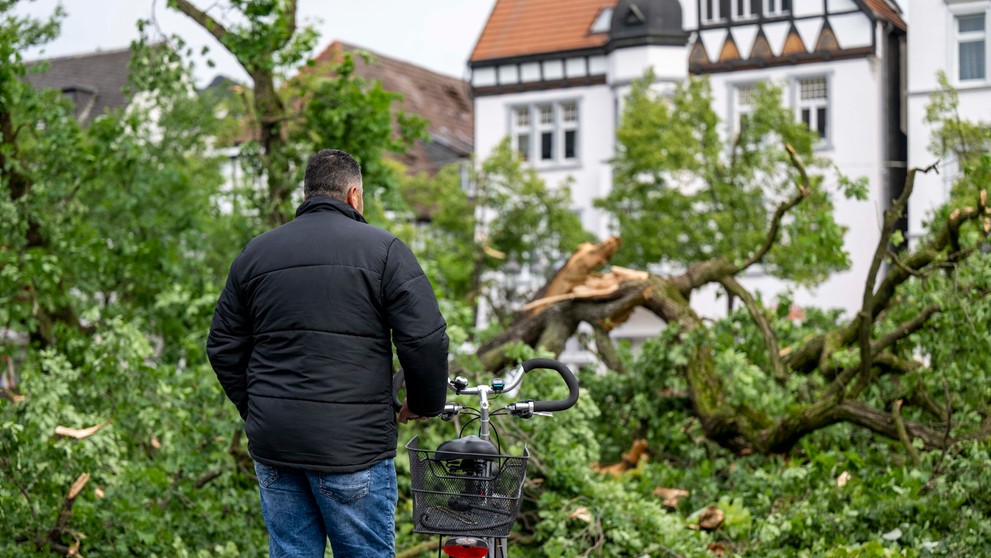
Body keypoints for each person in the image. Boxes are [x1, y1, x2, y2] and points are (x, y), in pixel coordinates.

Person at [207, 149, 449, 557]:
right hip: (352, 447)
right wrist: (424, 404)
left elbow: (222, 346)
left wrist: (260, 408)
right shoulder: (384, 250)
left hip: (277, 444)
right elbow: (425, 339)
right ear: (354, 194)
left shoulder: (256, 253)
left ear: (307, 194)